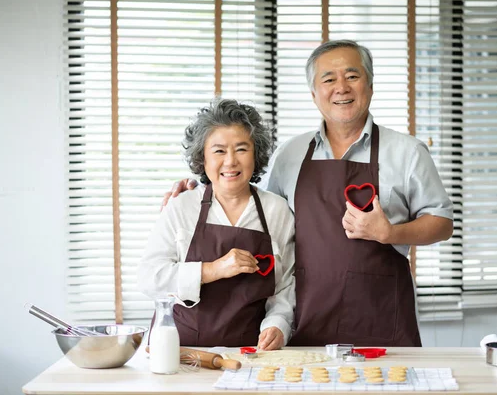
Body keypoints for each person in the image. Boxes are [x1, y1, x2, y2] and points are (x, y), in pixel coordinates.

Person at [163, 40, 454, 347]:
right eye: (328, 79)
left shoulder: (408, 152)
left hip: (380, 313)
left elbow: (442, 222)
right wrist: (193, 203)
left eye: (352, 76)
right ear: (314, 94)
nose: (341, 87)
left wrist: (389, 232)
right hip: (305, 316)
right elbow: (256, 216)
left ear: (369, 84)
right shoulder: (291, 153)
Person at [138, 98, 295, 350]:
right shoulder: (181, 207)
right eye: (219, 151)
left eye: (242, 149)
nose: (231, 161)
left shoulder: (276, 210)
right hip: (182, 352)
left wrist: (278, 324)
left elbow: (285, 285)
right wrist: (213, 269)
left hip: (251, 354)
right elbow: (149, 278)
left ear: (256, 154)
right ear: (203, 158)